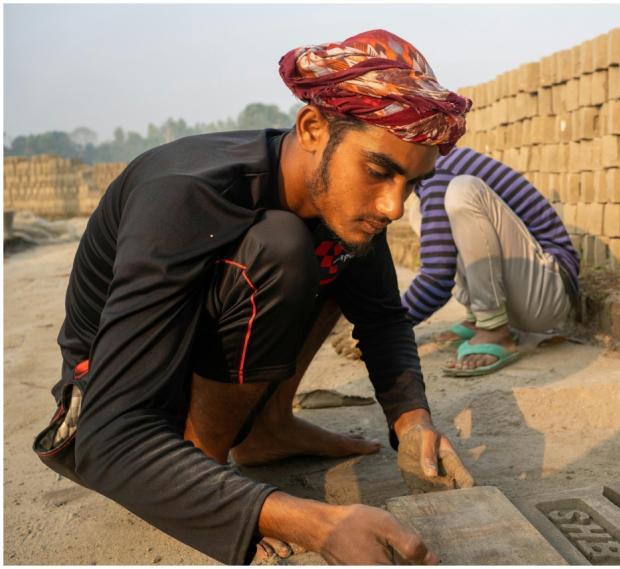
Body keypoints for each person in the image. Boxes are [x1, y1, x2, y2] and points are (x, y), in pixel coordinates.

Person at [32, 29, 473, 565]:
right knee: (281, 247)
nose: (393, 207)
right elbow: (109, 438)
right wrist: (312, 522)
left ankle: (267, 431)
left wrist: (412, 421)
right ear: (312, 128)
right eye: (379, 171)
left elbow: (381, 318)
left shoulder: (341, 199)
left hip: (191, 379)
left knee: (341, 245)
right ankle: (202, 467)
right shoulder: (185, 194)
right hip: (113, 406)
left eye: (412, 184)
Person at [400, 148, 582, 376]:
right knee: (418, 212)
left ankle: (493, 328)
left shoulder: (438, 172)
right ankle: (478, 318)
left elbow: (437, 277)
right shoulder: (432, 168)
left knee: (463, 190)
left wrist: (382, 327)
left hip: (550, 292)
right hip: (524, 296)